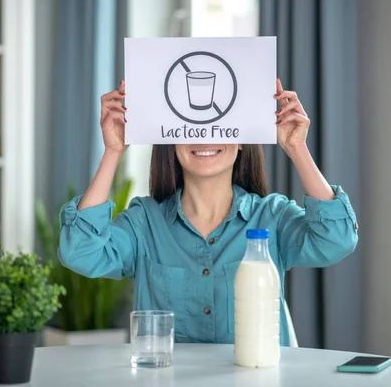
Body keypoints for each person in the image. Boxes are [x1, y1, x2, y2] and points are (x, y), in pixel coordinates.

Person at [58, 79, 358, 347]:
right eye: (190, 126)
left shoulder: (272, 217)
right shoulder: (144, 222)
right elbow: (80, 253)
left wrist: (297, 147)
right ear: (170, 138)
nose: (204, 137)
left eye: (219, 124)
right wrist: (113, 151)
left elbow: (336, 241)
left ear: (241, 139)